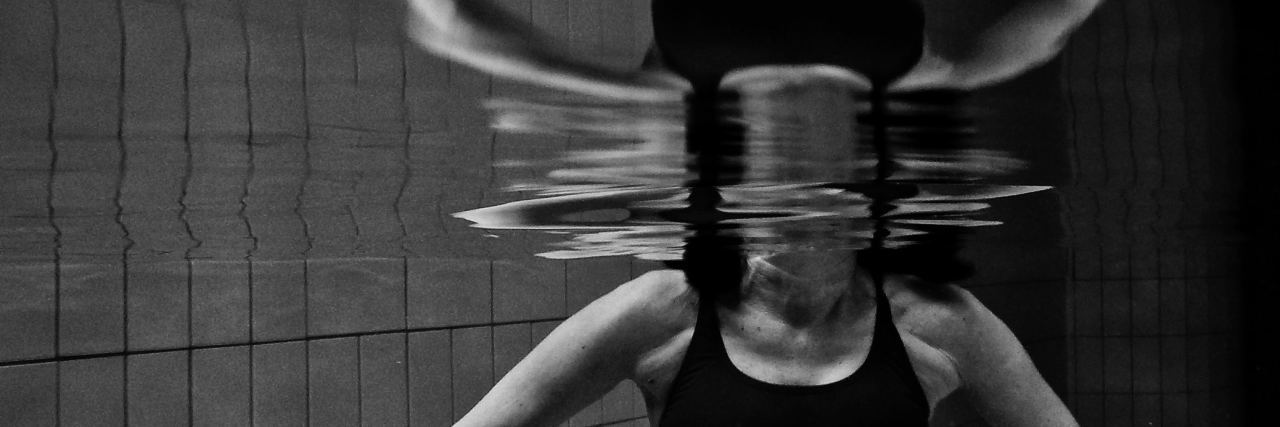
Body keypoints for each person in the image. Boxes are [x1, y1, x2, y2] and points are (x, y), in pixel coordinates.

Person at [405, 1, 1102, 425]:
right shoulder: (661, 312)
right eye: (748, 156)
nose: (784, 192)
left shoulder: (940, 322)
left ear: (871, 175)